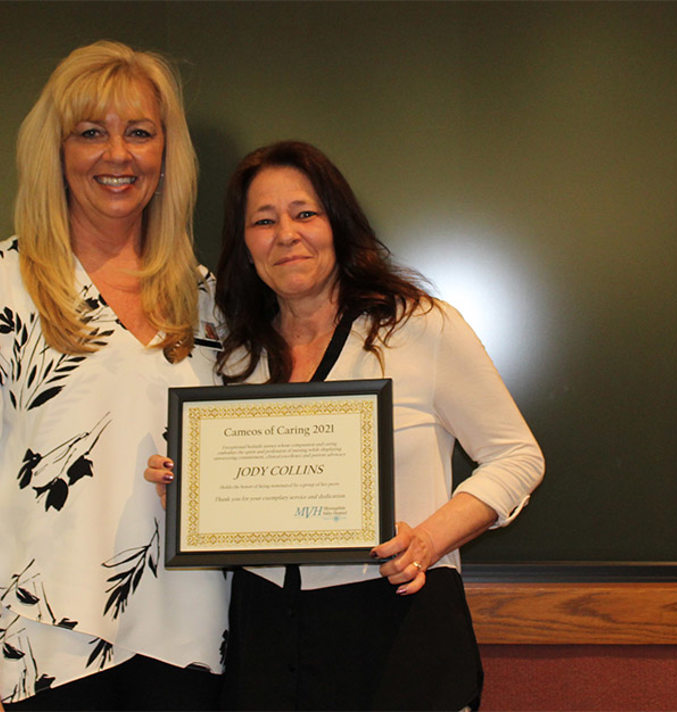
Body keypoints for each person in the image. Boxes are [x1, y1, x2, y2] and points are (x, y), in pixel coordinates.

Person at [0, 41, 230, 711]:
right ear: (58, 150)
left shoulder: (205, 298)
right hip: (47, 658)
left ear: (167, 153)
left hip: (193, 653)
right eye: (90, 133)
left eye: (139, 132)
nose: (117, 155)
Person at [146, 140, 544, 710]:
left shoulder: (419, 327)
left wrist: (427, 541)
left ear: (337, 223)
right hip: (264, 638)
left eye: (305, 213)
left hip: (398, 625)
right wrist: (186, 493)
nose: (286, 234)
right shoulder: (234, 353)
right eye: (263, 220)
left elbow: (518, 457)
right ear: (246, 245)